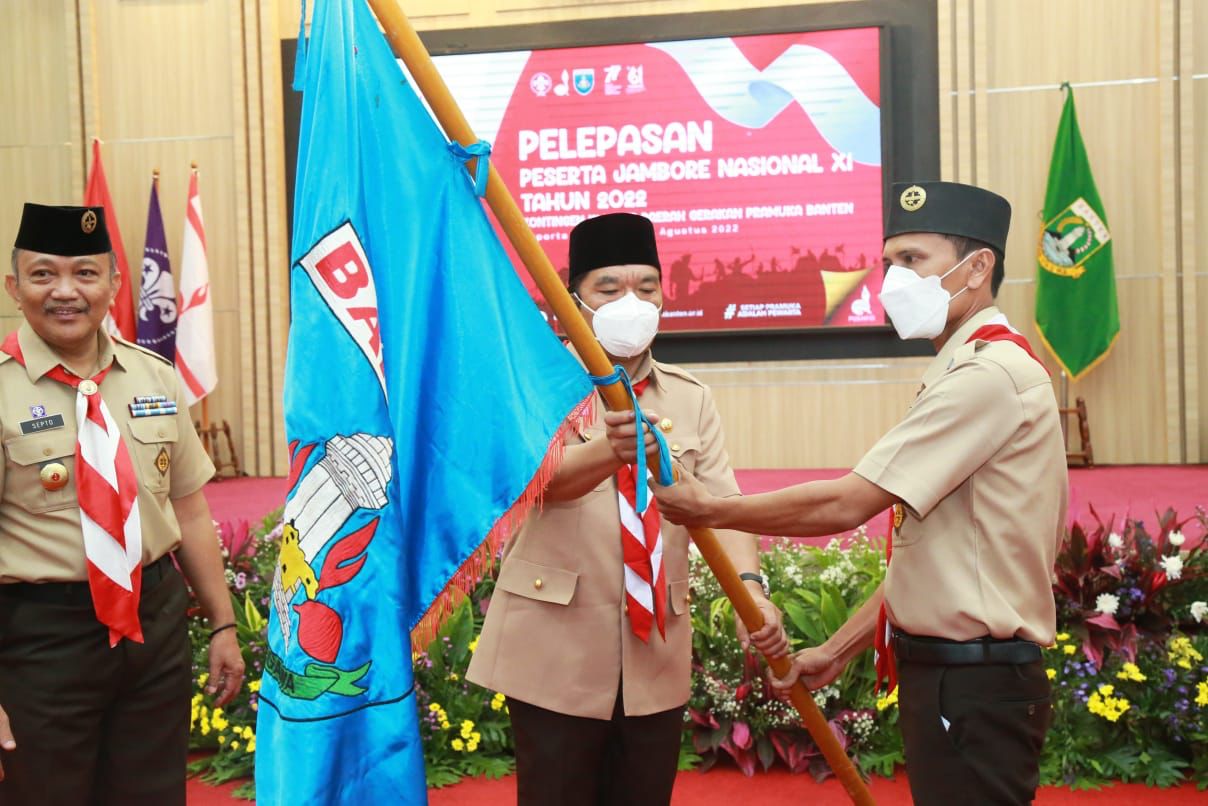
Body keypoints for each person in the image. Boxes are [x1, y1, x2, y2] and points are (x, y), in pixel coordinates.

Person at [654, 182, 1068, 805]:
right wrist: (841, 648)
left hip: (977, 682)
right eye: (889, 263)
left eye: (913, 260)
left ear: (978, 267)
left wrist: (710, 509)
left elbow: (845, 504)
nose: (893, 280)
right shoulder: (965, 370)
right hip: (958, 676)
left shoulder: (987, 376)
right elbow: (939, 558)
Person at [467, 213, 787, 806]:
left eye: (645, 288)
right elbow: (533, 485)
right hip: (552, 651)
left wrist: (751, 587)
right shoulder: (533, 386)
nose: (630, 302)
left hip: (653, 655)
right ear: (573, 300)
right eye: (608, 289)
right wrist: (605, 452)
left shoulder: (690, 398)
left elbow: (723, 506)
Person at [0, 203, 244, 804]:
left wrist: (223, 623)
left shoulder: (155, 378)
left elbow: (187, 510)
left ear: (114, 284)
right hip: (39, 636)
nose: (65, 291)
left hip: (152, 626)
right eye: (42, 274)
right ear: (14, 286)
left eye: (85, 273)